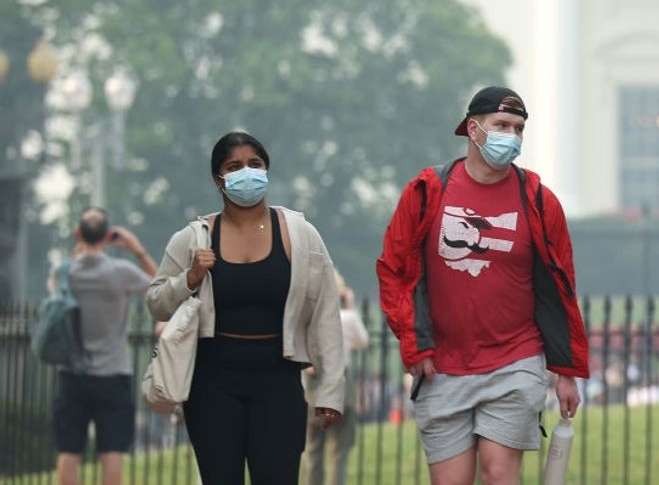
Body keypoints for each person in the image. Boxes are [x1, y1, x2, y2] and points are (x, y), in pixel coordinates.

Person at [377, 86, 589, 485]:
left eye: (520, 128)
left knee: (498, 474)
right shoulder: (426, 192)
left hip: (515, 360)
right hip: (442, 366)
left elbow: (563, 287)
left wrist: (566, 370)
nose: (512, 136)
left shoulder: (541, 202)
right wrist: (414, 343)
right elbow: (395, 271)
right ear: (473, 129)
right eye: (502, 125)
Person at [146, 131, 346, 485]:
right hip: (212, 384)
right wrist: (190, 277)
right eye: (234, 166)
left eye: (254, 164)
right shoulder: (194, 237)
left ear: (267, 171)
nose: (246, 173)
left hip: (278, 381)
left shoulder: (299, 234)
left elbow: (326, 314)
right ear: (217, 179)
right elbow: (156, 304)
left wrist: (331, 388)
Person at [51, 207, 157, 485]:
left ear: (78, 234)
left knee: (69, 450)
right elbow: (161, 288)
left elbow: (56, 296)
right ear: (109, 236)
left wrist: (80, 249)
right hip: (112, 374)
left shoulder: (63, 272)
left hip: (71, 372)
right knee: (111, 451)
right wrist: (138, 250)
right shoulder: (121, 272)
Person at [301, 273, 370, 485]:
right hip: (341, 382)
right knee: (340, 451)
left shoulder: (306, 318)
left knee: (313, 451)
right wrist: (350, 307)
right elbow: (363, 341)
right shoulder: (345, 318)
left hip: (312, 387)